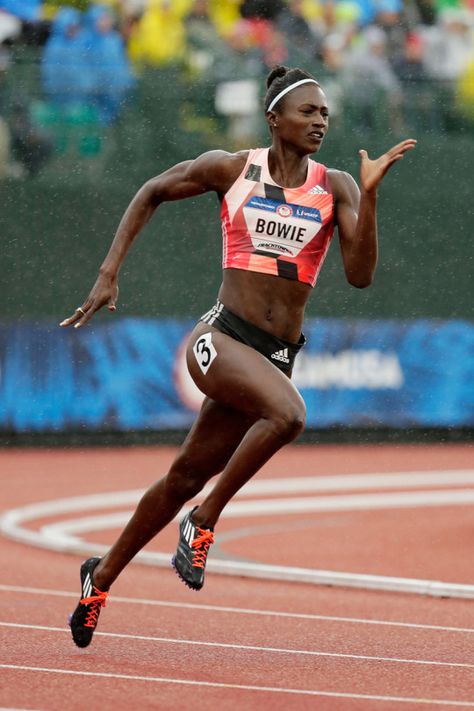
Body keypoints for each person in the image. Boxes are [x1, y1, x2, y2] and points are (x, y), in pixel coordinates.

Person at [59, 65, 416, 648]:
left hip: (273, 357)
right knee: (290, 416)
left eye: (325, 113)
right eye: (308, 112)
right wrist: (108, 273)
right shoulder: (230, 168)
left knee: (183, 476)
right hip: (219, 341)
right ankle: (203, 522)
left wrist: (370, 197)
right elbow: (150, 190)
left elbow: (360, 276)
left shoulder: (338, 186)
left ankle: (98, 578)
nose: (320, 121)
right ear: (275, 119)